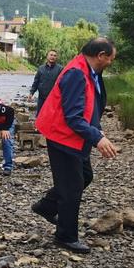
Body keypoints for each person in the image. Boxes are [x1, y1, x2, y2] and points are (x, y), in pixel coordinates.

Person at [31, 38, 118, 254]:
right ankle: (65, 236)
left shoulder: (90, 71)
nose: (111, 63)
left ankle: (46, 206)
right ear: (100, 55)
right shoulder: (76, 73)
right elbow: (72, 117)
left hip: (74, 137)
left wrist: (96, 129)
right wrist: (97, 138)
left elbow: (90, 104)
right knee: (72, 187)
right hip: (61, 135)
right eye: (110, 59)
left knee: (85, 176)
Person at [29, 50, 63, 116]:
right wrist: (31, 93)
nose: (52, 57)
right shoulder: (41, 68)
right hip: (41, 97)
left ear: (56, 58)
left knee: (51, 117)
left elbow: (63, 83)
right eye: (51, 55)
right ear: (47, 56)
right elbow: (36, 81)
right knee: (39, 116)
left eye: (54, 55)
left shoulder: (60, 69)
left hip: (54, 98)